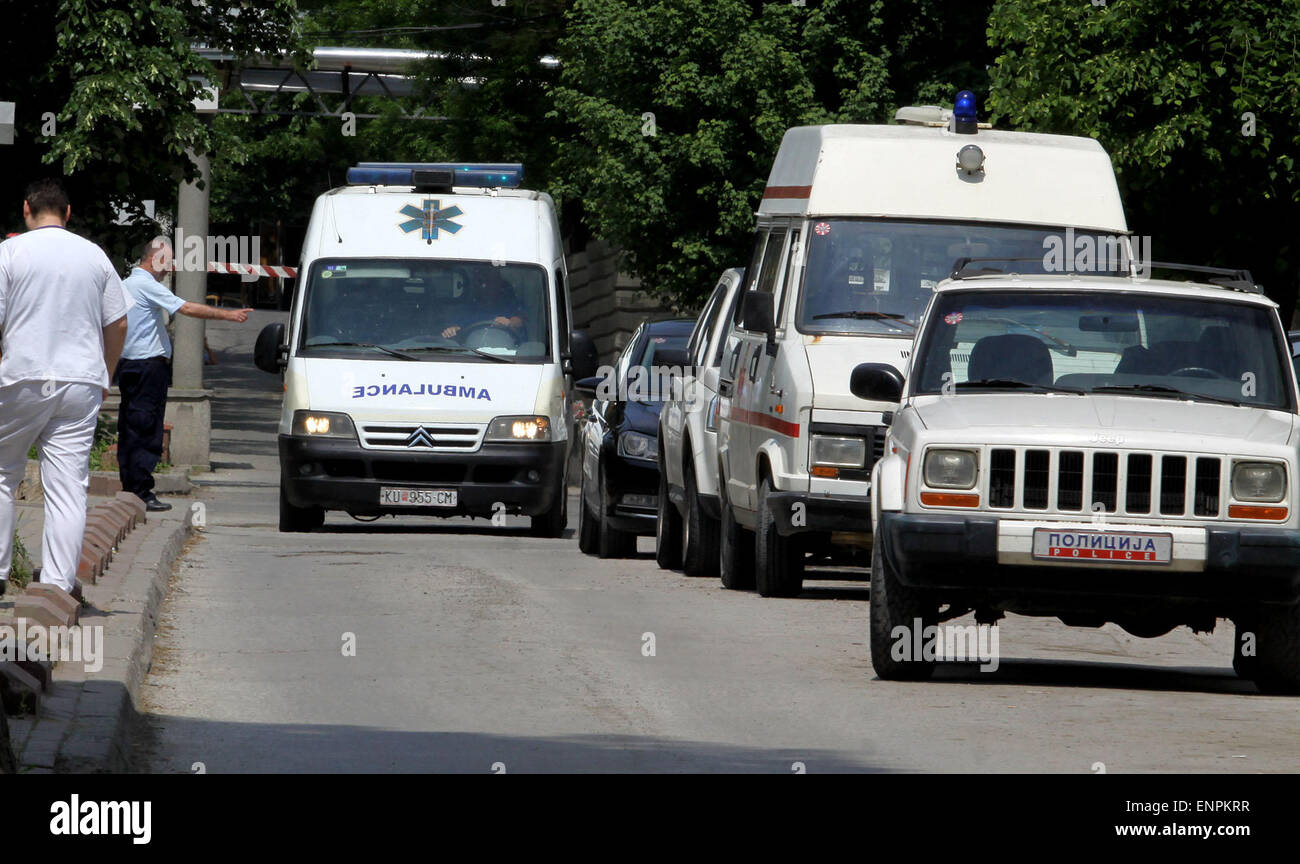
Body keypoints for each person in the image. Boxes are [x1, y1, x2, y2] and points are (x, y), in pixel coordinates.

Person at [0, 179, 127, 597]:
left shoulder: (10, 253)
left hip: (22, 376)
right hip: (81, 382)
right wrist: (106, 375)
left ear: (26, 209)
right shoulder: (94, 256)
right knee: (69, 486)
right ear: (68, 213)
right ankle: (57, 585)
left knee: (2, 474)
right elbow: (118, 322)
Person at [117, 237, 251, 511]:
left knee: (131, 427)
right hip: (147, 368)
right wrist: (229, 316)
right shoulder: (146, 285)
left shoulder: (126, 284)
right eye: (167, 263)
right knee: (147, 428)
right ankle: (141, 492)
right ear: (155, 259)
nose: (170, 269)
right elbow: (185, 308)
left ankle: (131, 488)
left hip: (131, 366)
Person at [440, 267, 525, 341]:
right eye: (481, 281)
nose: (485, 285)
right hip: (472, 355)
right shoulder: (468, 309)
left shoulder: (510, 304)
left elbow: (519, 322)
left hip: (508, 355)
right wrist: (452, 331)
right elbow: (456, 328)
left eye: (491, 281)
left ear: (499, 283)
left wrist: (509, 323)